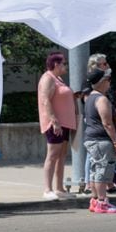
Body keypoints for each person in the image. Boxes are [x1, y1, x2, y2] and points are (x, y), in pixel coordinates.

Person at [37, 51, 77, 200]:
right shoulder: (48, 78)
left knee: (61, 156)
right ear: (56, 64)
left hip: (65, 123)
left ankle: (59, 188)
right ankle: (47, 189)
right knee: (52, 155)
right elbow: (45, 100)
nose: (66, 65)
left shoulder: (58, 78)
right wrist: (54, 121)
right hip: (56, 124)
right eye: (64, 63)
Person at [83, 68, 116, 213]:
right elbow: (107, 123)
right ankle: (102, 202)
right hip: (101, 140)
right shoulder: (101, 99)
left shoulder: (89, 97)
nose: (109, 82)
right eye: (107, 80)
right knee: (103, 170)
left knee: (95, 170)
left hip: (91, 139)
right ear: (101, 82)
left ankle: (95, 201)